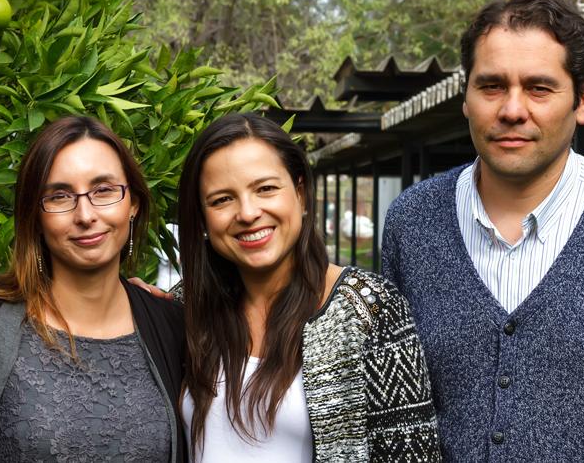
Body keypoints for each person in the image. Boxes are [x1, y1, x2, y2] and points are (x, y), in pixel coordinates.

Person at [382, 0, 584, 461]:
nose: (512, 110)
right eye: (492, 86)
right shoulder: (412, 223)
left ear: (583, 100)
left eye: (539, 88)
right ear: (467, 98)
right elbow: (392, 414)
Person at [176, 113, 440, 462]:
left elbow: (412, 455)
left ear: (300, 195)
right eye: (222, 199)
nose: (248, 212)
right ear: (203, 218)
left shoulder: (369, 309)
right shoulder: (184, 309)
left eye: (265, 188)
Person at [0, 116, 186, 463]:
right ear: (35, 215)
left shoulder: (172, 327)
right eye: (60, 195)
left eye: (104, 190)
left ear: (133, 204)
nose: (85, 214)